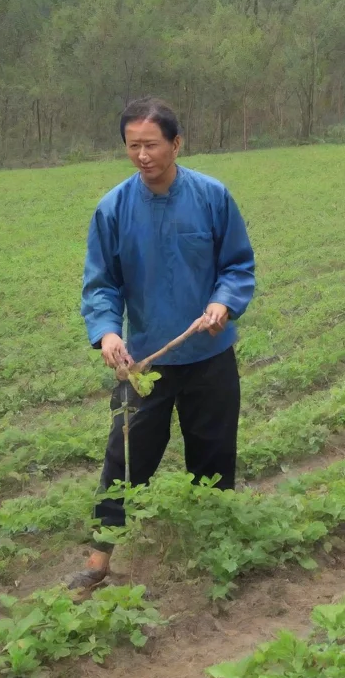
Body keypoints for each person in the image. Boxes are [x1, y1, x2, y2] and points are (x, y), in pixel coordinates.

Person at [68, 97, 256, 592]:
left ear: (176, 143)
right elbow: (101, 283)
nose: (143, 155)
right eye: (133, 146)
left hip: (209, 355)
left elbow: (237, 266)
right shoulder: (113, 209)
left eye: (152, 145)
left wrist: (224, 302)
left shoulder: (213, 197)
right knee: (125, 455)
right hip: (146, 361)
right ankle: (99, 557)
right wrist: (108, 331)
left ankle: (214, 549)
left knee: (213, 455)